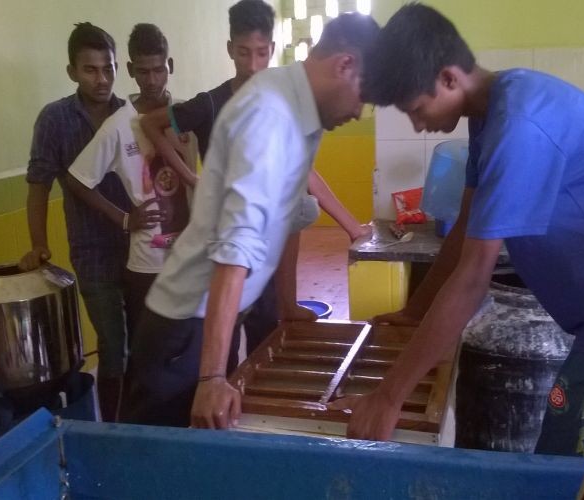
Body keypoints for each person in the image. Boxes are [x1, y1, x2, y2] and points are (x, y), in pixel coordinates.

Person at [331, 3, 584, 458]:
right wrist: (414, 312)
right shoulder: (491, 114)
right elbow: (462, 237)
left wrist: (388, 397)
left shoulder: (519, 122)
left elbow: (474, 277)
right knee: (556, 450)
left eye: (417, 109)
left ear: (449, 77)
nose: (418, 124)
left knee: (582, 468)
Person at [119, 12, 380, 428]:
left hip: (206, 320)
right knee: (156, 463)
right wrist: (211, 376)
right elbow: (234, 248)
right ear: (344, 65)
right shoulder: (269, 114)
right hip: (185, 330)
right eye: (364, 95)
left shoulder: (292, 106)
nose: (359, 112)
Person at [19, 22, 131, 422]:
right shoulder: (55, 120)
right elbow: (38, 186)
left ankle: (142, 426)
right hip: (92, 252)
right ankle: (114, 433)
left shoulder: (130, 113)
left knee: (142, 343)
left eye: (110, 68)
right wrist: (38, 244)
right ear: (72, 71)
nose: (102, 79)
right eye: (91, 70)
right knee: (113, 349)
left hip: (140, 251)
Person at [65, 23, 197, 347]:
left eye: (158, 70)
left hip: (190, 256)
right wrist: (124, 218)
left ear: (171, 66)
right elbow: (77, 180)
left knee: (190, 349)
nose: (151, 80)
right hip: (146, 264)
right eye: (142, 71)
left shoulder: (188, 113)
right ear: (130, 71)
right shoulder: (119, 126)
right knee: (147, 356)